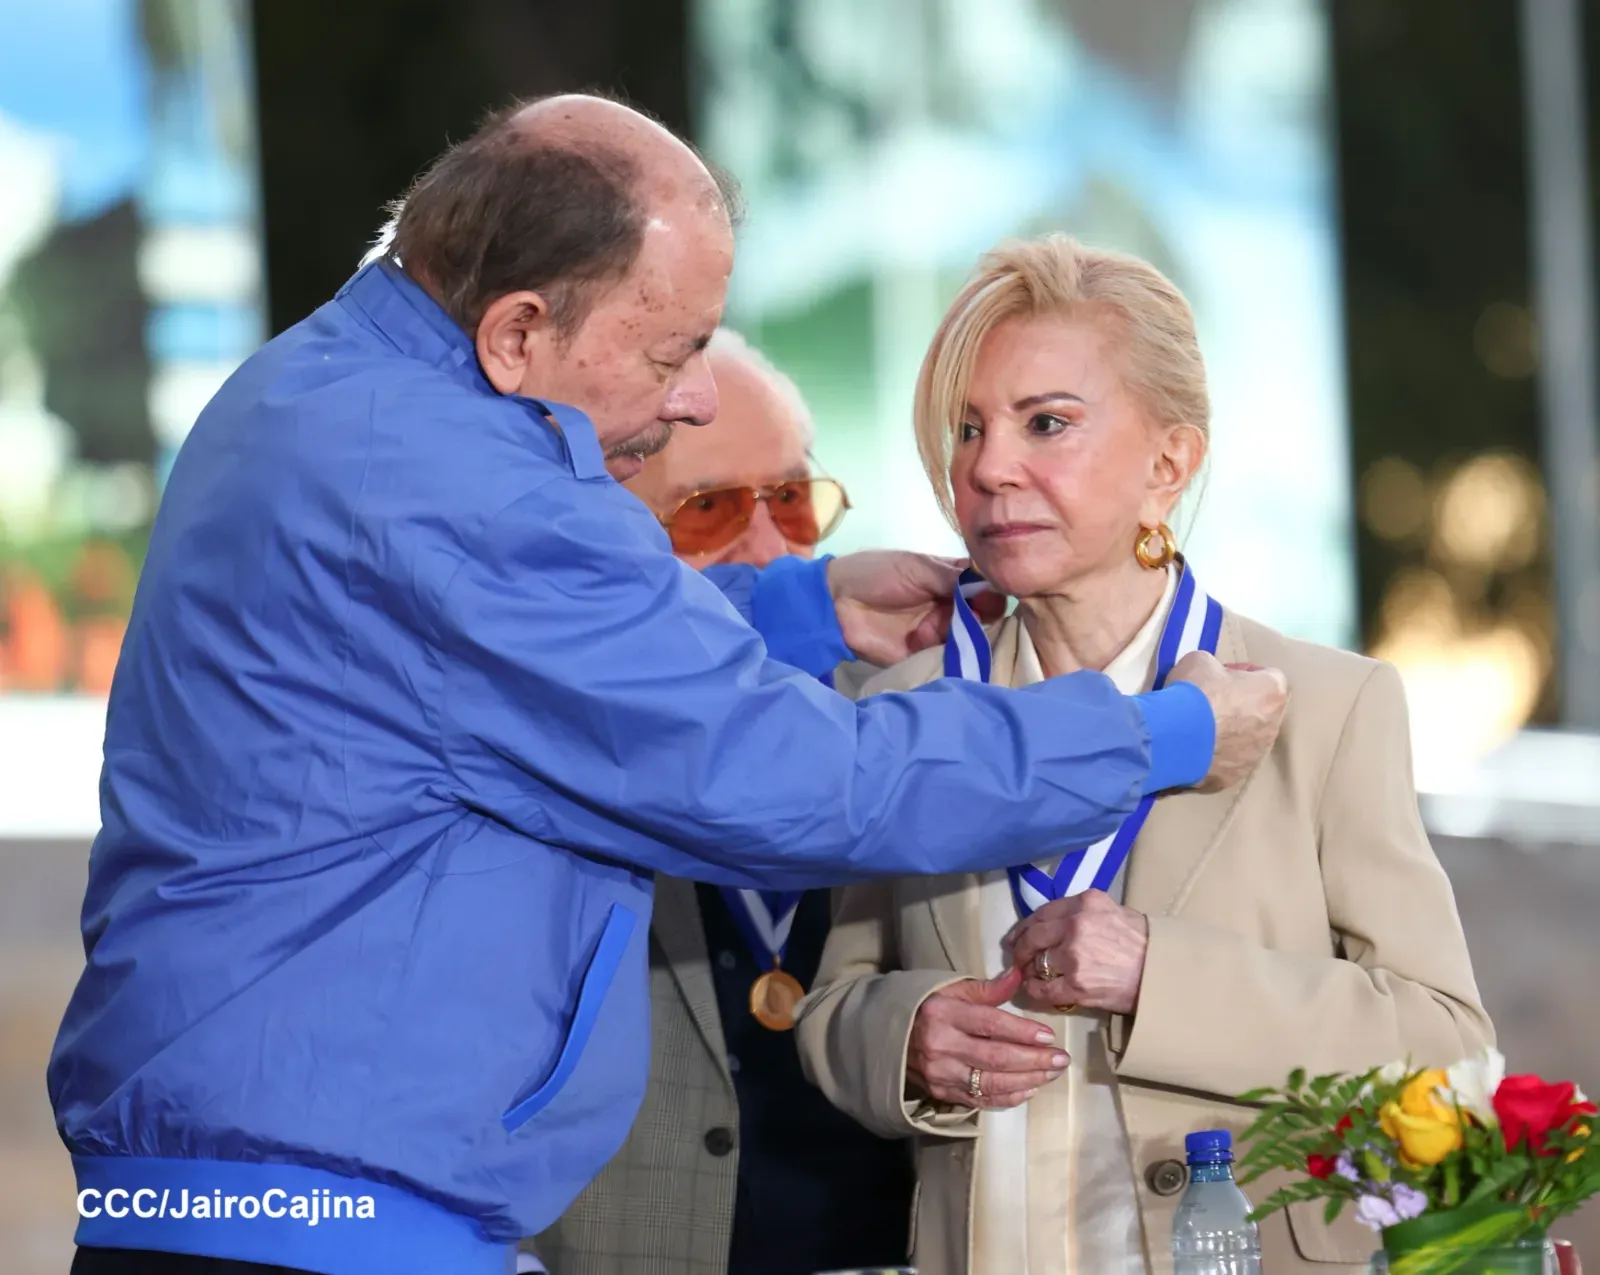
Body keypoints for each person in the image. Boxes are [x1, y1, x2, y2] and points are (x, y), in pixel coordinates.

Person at [50, 98, 1288, 1275]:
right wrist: (1157, 733)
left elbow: (473, 663)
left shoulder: (323, 393)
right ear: (518, 332)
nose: (694, 394)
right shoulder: (464, 485)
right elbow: (803, 781)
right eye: (674, 349)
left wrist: (792, 607)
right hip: (324, 1219)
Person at [795, 234, 1493, 1275]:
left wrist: (1157, 976)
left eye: (1048, 424)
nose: (987, 467)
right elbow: (834, 1007)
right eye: (968, 428)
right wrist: (905, 1037)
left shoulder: (1332, 706)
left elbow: (1445, 1047)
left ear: (1169, 463)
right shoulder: (902, 707)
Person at [529, 329, 911, 1275]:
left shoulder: (920, 720)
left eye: (792, 497)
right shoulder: (538, 741)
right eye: (709, 512)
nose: (775, 550)